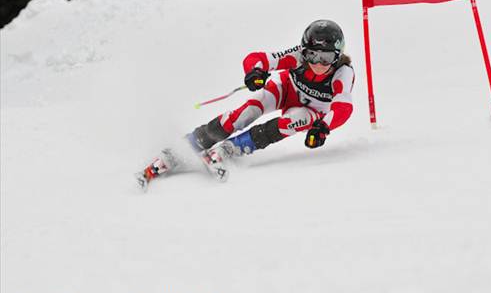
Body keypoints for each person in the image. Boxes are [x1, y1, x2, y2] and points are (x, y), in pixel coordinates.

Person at [138, 19, 355, 185]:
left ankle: (231, 148)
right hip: (286, 89)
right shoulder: (298, 56)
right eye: (312, 55)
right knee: (246, 112)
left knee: (291, 121)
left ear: (338, 56)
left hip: (314, 112)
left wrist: (324, 127)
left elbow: (343, 106)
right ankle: (189, 145)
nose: (318, 63)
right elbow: (258, 58)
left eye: (326, 58)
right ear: (304, 51)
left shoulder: (342, 72)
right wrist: (255, 72)